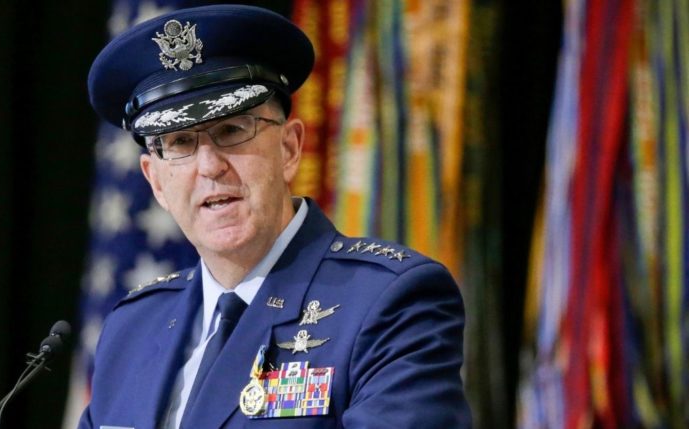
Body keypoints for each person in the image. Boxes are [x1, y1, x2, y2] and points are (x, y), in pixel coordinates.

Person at [80, 4, 471, 429]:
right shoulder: (132, 327)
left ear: (289, 149)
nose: (209, 166)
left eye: (231, 131)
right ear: (155, 181)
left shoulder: (390, 301)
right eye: (179, 143)